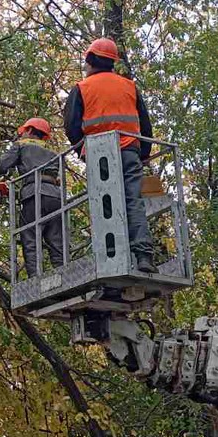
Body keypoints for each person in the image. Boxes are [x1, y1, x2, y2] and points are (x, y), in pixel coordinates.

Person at [62, 36, 156, 273]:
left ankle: (112, 256)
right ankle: (143, 256)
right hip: (130, 152)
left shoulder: (82, 88)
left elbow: (71, 126)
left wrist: (81, 151)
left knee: (105, 201)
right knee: (133, 200)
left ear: (91, 60)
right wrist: (143, 153)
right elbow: (145, 125)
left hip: (99, 154)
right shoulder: (129, 86)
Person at [0, 117, 65, 277]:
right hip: (56, 197)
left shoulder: (21, 146)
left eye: (23, 132)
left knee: (30, 238)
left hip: (34, 194)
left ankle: (35, 280)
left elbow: (2, 166)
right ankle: (64, 275)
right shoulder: (53, 154)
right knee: (56, 240)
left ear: (29, 130)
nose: (21, 135)